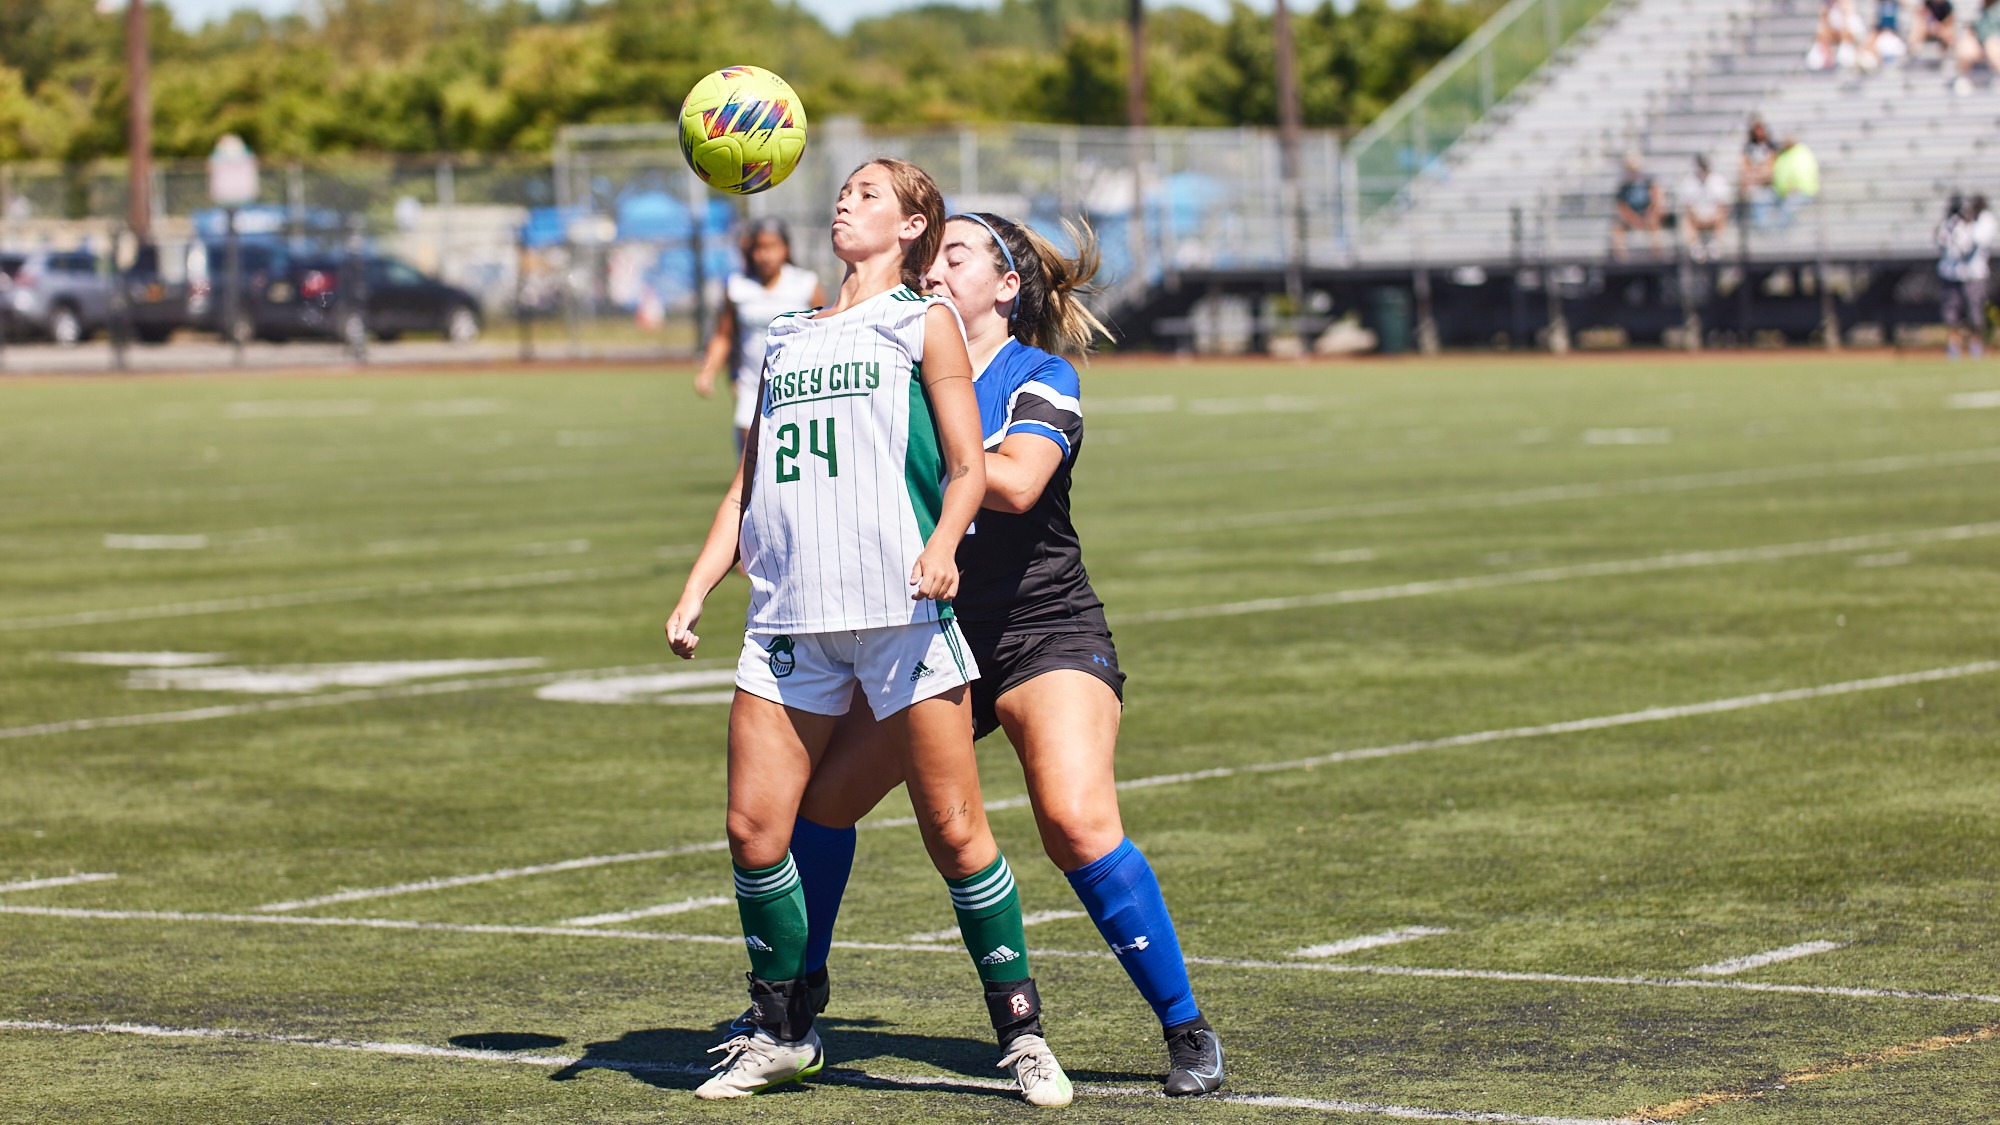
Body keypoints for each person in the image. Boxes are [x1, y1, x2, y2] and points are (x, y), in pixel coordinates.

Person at [778, 211, 1226, 1098]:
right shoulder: (896, 365)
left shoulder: (1038, 375)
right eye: (928, 254)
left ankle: (1186, 1025)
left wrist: (919, 450)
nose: (932, 268)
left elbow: (1015, 482)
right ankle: (793, 1004)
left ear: (1006, 286)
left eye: (954, 255)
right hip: (927, 633)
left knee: (1073, 821)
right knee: (821, 807)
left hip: (1040, 629)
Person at [664, 158, 1073, 1106]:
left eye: (869, 194)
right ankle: (782, 1028)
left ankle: (1020, 1033)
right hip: (789, 622)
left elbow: (972, 467)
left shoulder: (921, 321)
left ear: (911, 225)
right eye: (842, 192)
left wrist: (940, 548)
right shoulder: (785, 336)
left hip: (902, 618)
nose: (844, 202)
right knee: (754, 830)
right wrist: (696, 588)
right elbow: (747, 486)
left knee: (956, 831)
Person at [693, 218, 825, 458]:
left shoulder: (805, 283)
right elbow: (723, 335)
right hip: (752, 383)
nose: (765, 255)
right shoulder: (737, 286)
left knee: (797, 458)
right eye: (759, 248)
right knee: (751, 458)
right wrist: (708, 372)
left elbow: (823, 332)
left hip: (797, 383)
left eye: (772, 246)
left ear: (786, 249)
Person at [1939, 193, 1995, 358]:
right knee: (1952, 309)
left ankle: (1976, 343)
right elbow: (1943, 241)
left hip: (1974, 273)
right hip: (1952, 273)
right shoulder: (1952, 223)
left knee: (1975, 309)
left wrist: (1967, 226)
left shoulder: (1984, 220)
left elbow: (1977, 241)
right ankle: (1953, 344)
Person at [1677, 155, 1734, 261]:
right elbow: (1687, 206)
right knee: (1686, 221)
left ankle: (1716, 244)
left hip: (1714, 217)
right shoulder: (1689, 181)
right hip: (1696, 218)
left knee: (1722, 217)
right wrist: (1697, 218)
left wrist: (1711, 218)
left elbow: (1723, 205)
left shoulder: (1718, 180)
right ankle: (1695, 246)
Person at [1610, 154, 1664, 260]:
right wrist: (1634, 219)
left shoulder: (1648, 181)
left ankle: (1657, 256)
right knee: (1617, 228)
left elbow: (1656, 199)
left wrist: (1649, 215)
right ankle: (1621, 259)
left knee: (1654, 224)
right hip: (1631, 216)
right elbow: (1622, 207)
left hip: (1646, 214)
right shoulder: (1624, 185)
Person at [1761, 136, 1820, 231]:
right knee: (1761, 198)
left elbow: (1802, 173)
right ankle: (1763, 230)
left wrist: (1794, 186)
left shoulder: (1800, 153)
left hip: (1802, 192)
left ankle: (1780, 233)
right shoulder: (1785, 154)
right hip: (1781, 192)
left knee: (1787, 207)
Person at [1952, 0, 2000, 93]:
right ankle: (1964, 78)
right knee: (1965, 46)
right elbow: (1971, 28)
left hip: (1995, 44)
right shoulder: (1978, 8)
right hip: (1980, 43)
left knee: (1992, 44)